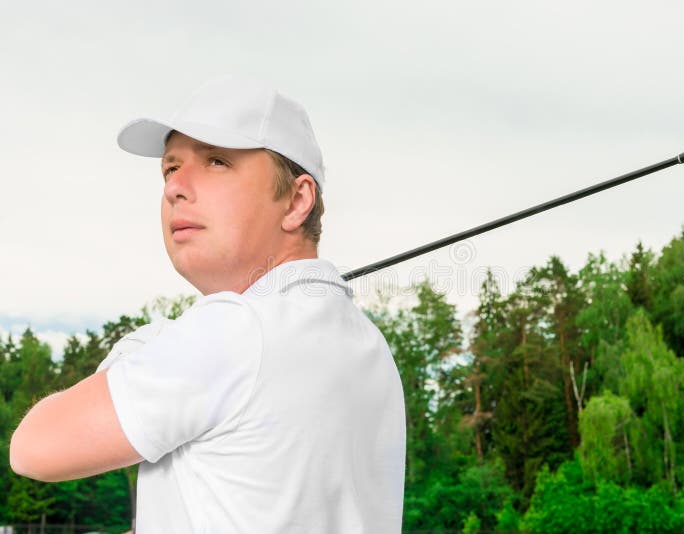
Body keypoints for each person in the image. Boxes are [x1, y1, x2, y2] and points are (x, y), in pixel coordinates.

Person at [10, 76, 407, 533]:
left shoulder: (231, 331)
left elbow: (33, 448)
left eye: (217, 161)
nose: (175, 187)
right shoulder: (370, 348)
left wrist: (151, 337)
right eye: (170, 168)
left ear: (297, 201)